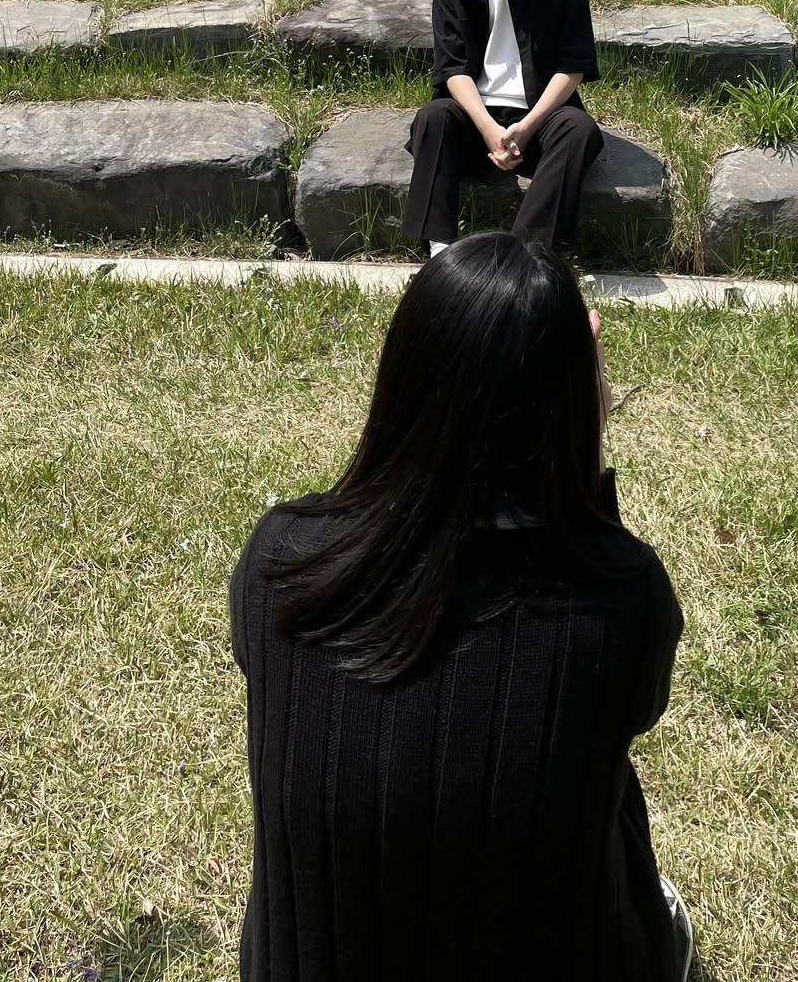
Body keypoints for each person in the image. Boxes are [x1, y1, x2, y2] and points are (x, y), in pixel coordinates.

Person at [230, 234, 691, 982]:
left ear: (401, 376)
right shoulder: (623, 601)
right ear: (570, 407)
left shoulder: (280, 562)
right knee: (602, 768)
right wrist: (585, 444)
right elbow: (623, 693)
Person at [402, 0, 604, 257]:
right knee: (432, 118)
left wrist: (526, 128)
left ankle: (526, 255)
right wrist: (488, 128)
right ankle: (440, 252)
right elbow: (453, 69)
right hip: (474, 117)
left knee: (579, 129)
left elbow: (572, 67)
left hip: (540, 117)